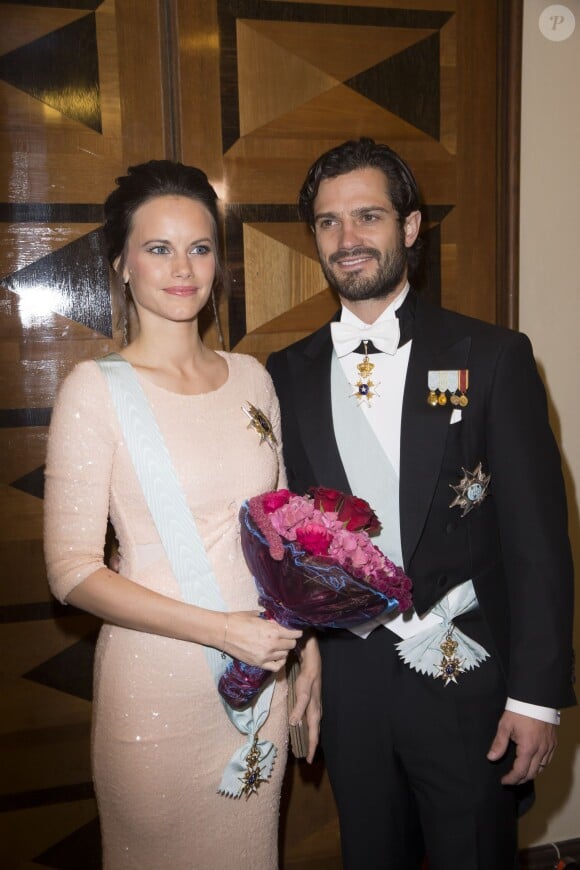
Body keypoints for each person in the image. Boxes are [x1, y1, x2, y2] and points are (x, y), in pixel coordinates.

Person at [267, 138, 575, 870]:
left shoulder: (493, 356)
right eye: (328, 222)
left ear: (409, 228)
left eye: (368, 216)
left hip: (465, 671)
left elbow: (538, 542)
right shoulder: (283, 374)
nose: (348, 239)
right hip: (352, 681)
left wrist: (537, 697)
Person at [44, 159, 320, 870]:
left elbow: (281, 532)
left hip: (264, 679)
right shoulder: (94, 391)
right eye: (158, 247)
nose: (182, 268)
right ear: (122, 264)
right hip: (159, 694)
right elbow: (70, 572)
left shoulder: (254, 378)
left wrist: (307, 647)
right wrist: (223, 631)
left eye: (199, 247)